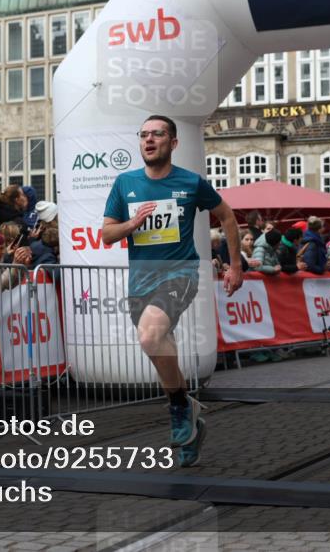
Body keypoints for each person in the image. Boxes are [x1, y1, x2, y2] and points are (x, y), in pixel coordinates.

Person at [102, 115, 242, 468]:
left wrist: (236, 265)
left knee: (150, 338)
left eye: (158, 134)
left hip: (180, 274)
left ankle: (179, 407)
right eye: (144, 134)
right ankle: (188, 412)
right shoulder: (125, 183)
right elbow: (106, 235)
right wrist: (132, 224)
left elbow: (227, 216)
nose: (149, 140)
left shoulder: (191, 183)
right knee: (162, 350)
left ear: (173, 143)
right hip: (140, 282)